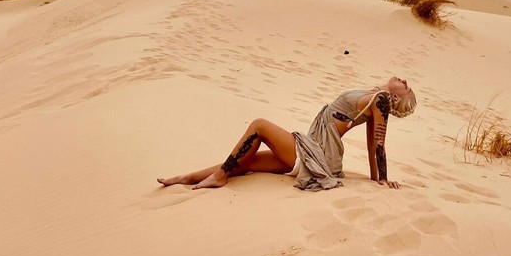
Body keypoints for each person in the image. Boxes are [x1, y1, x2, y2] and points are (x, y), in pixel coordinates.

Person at [157, 76, 416, 191]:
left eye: (407, 86)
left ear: (395, 97)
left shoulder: (381, 101)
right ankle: (186, 178)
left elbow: (377, 144)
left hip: (316, 153)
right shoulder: (375, 96)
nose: (405, 80)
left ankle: (219, 177)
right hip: (312, 150)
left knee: (259, 125)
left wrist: (381, 180)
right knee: (246, 161)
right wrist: (376, 178)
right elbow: (372, 144)